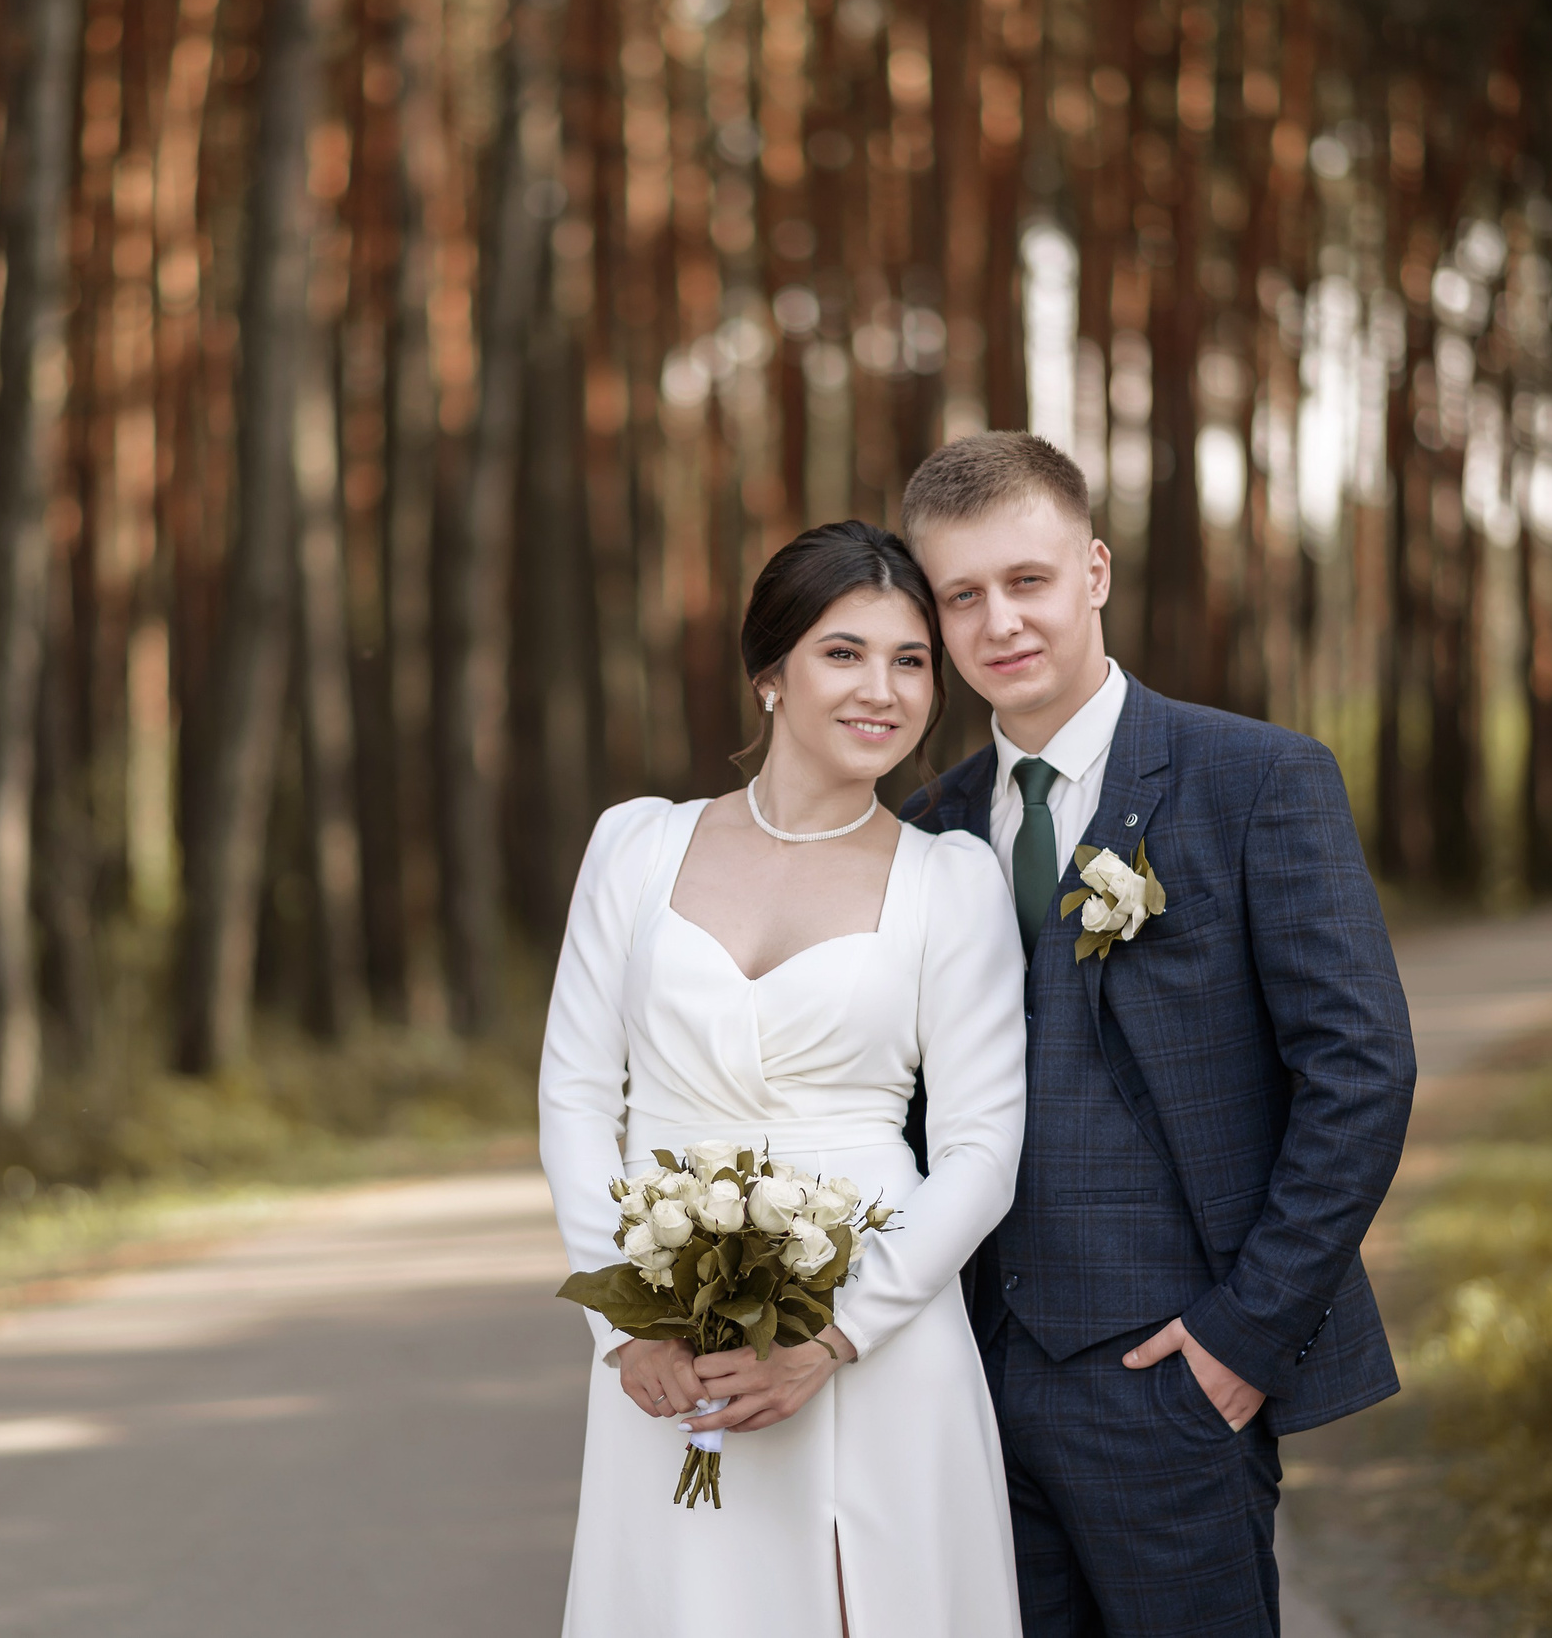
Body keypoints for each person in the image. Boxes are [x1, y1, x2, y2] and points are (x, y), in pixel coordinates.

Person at [898, 431, 1417, 1637]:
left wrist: (1244, 1335)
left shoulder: (1256, 782)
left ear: (1093, 571)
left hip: (1173, 1382)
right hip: (965, 1389)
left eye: (1025, 581)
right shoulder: (924, 834)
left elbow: (1359, 1074)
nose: (999, 623)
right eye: (960, 596)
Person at [540, 520, 1028, 1637]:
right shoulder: (634, 848)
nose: (884, 691)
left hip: (876, 1338)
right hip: (669, 1342)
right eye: (843, 653)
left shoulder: (950, 885)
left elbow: (979, 1150)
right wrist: (625, 1326)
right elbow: (574, 1094)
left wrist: (834, 1336)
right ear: (769, 674)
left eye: (910, 662)